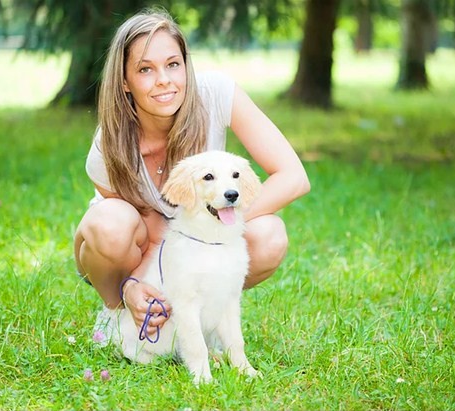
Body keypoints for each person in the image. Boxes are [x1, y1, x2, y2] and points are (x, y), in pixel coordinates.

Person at [73, 8, 310, 338]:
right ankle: (117, 314)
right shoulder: (109, 143)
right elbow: (147, 233)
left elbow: (293, 177)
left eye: (173, 64)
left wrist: (218, 219)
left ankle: (205, 316)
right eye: (145, 69)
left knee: (269, 235)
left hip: (195, 242)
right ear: (125, 81)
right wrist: (129, 286)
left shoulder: (216, 93)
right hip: (130, 250)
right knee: (109, 223)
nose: (164, 80)